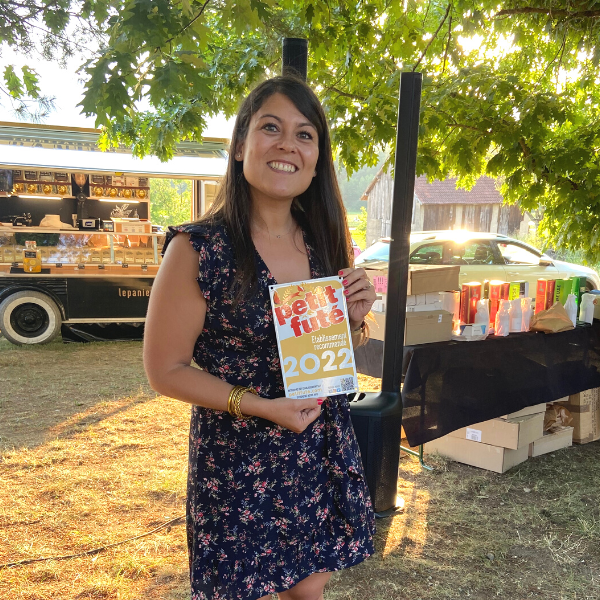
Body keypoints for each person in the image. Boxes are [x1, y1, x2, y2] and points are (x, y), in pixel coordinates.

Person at [144, 75, 377, 600]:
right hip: (238, 462)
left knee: (309, 591)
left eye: (305, 134)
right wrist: (263, 407)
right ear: (241, 145)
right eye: (270, 128)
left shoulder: (325, 241)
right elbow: (165, 371)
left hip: (319, 445)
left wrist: (354, 321)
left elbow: (331, 346)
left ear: (317, 158)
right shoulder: (198, 248)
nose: (287, 145)